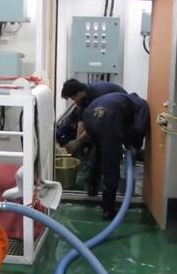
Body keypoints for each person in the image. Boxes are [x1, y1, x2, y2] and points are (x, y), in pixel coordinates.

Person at [82, 92, 149, 220]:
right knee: (111, 164)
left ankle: (92, 187)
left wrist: (126, 140)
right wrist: (134, 144)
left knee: (99, 150)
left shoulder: (122, 99)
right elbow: (139, 129)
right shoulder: (142, 106)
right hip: (108, 118)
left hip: (89, 116)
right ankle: (108, 210)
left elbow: (124, 126)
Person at [59, 78, 127, 195]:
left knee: (107, 154)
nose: (73, 100)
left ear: (79, 92)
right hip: (106, 117)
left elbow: (95, 125)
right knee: (97, 149)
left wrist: (78, 141)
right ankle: (92, 186)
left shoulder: (98, 96)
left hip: (120, 116)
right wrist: (77, 141)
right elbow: (82, 120)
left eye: (72, 97)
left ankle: (106, 191)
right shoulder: (83, 99)